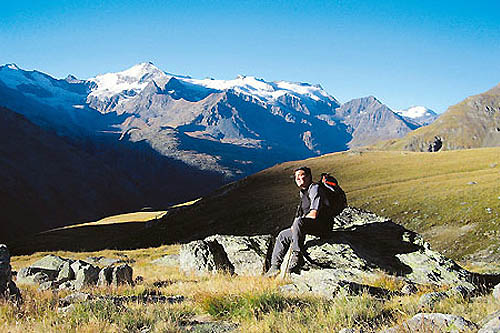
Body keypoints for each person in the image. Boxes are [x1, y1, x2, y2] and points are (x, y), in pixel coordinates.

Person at [265, 166, 334, 277]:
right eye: (297, 177)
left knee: (298, 222)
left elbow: (314, 214)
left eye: (302, 176)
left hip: (322, 226)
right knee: (283, 235)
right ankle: (274, 267)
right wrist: (296, 227)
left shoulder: (315, 189)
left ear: (309, 177)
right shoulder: (303, 192)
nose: (300, 179)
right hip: (309, 226)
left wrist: (298, 225)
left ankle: (297, 255)